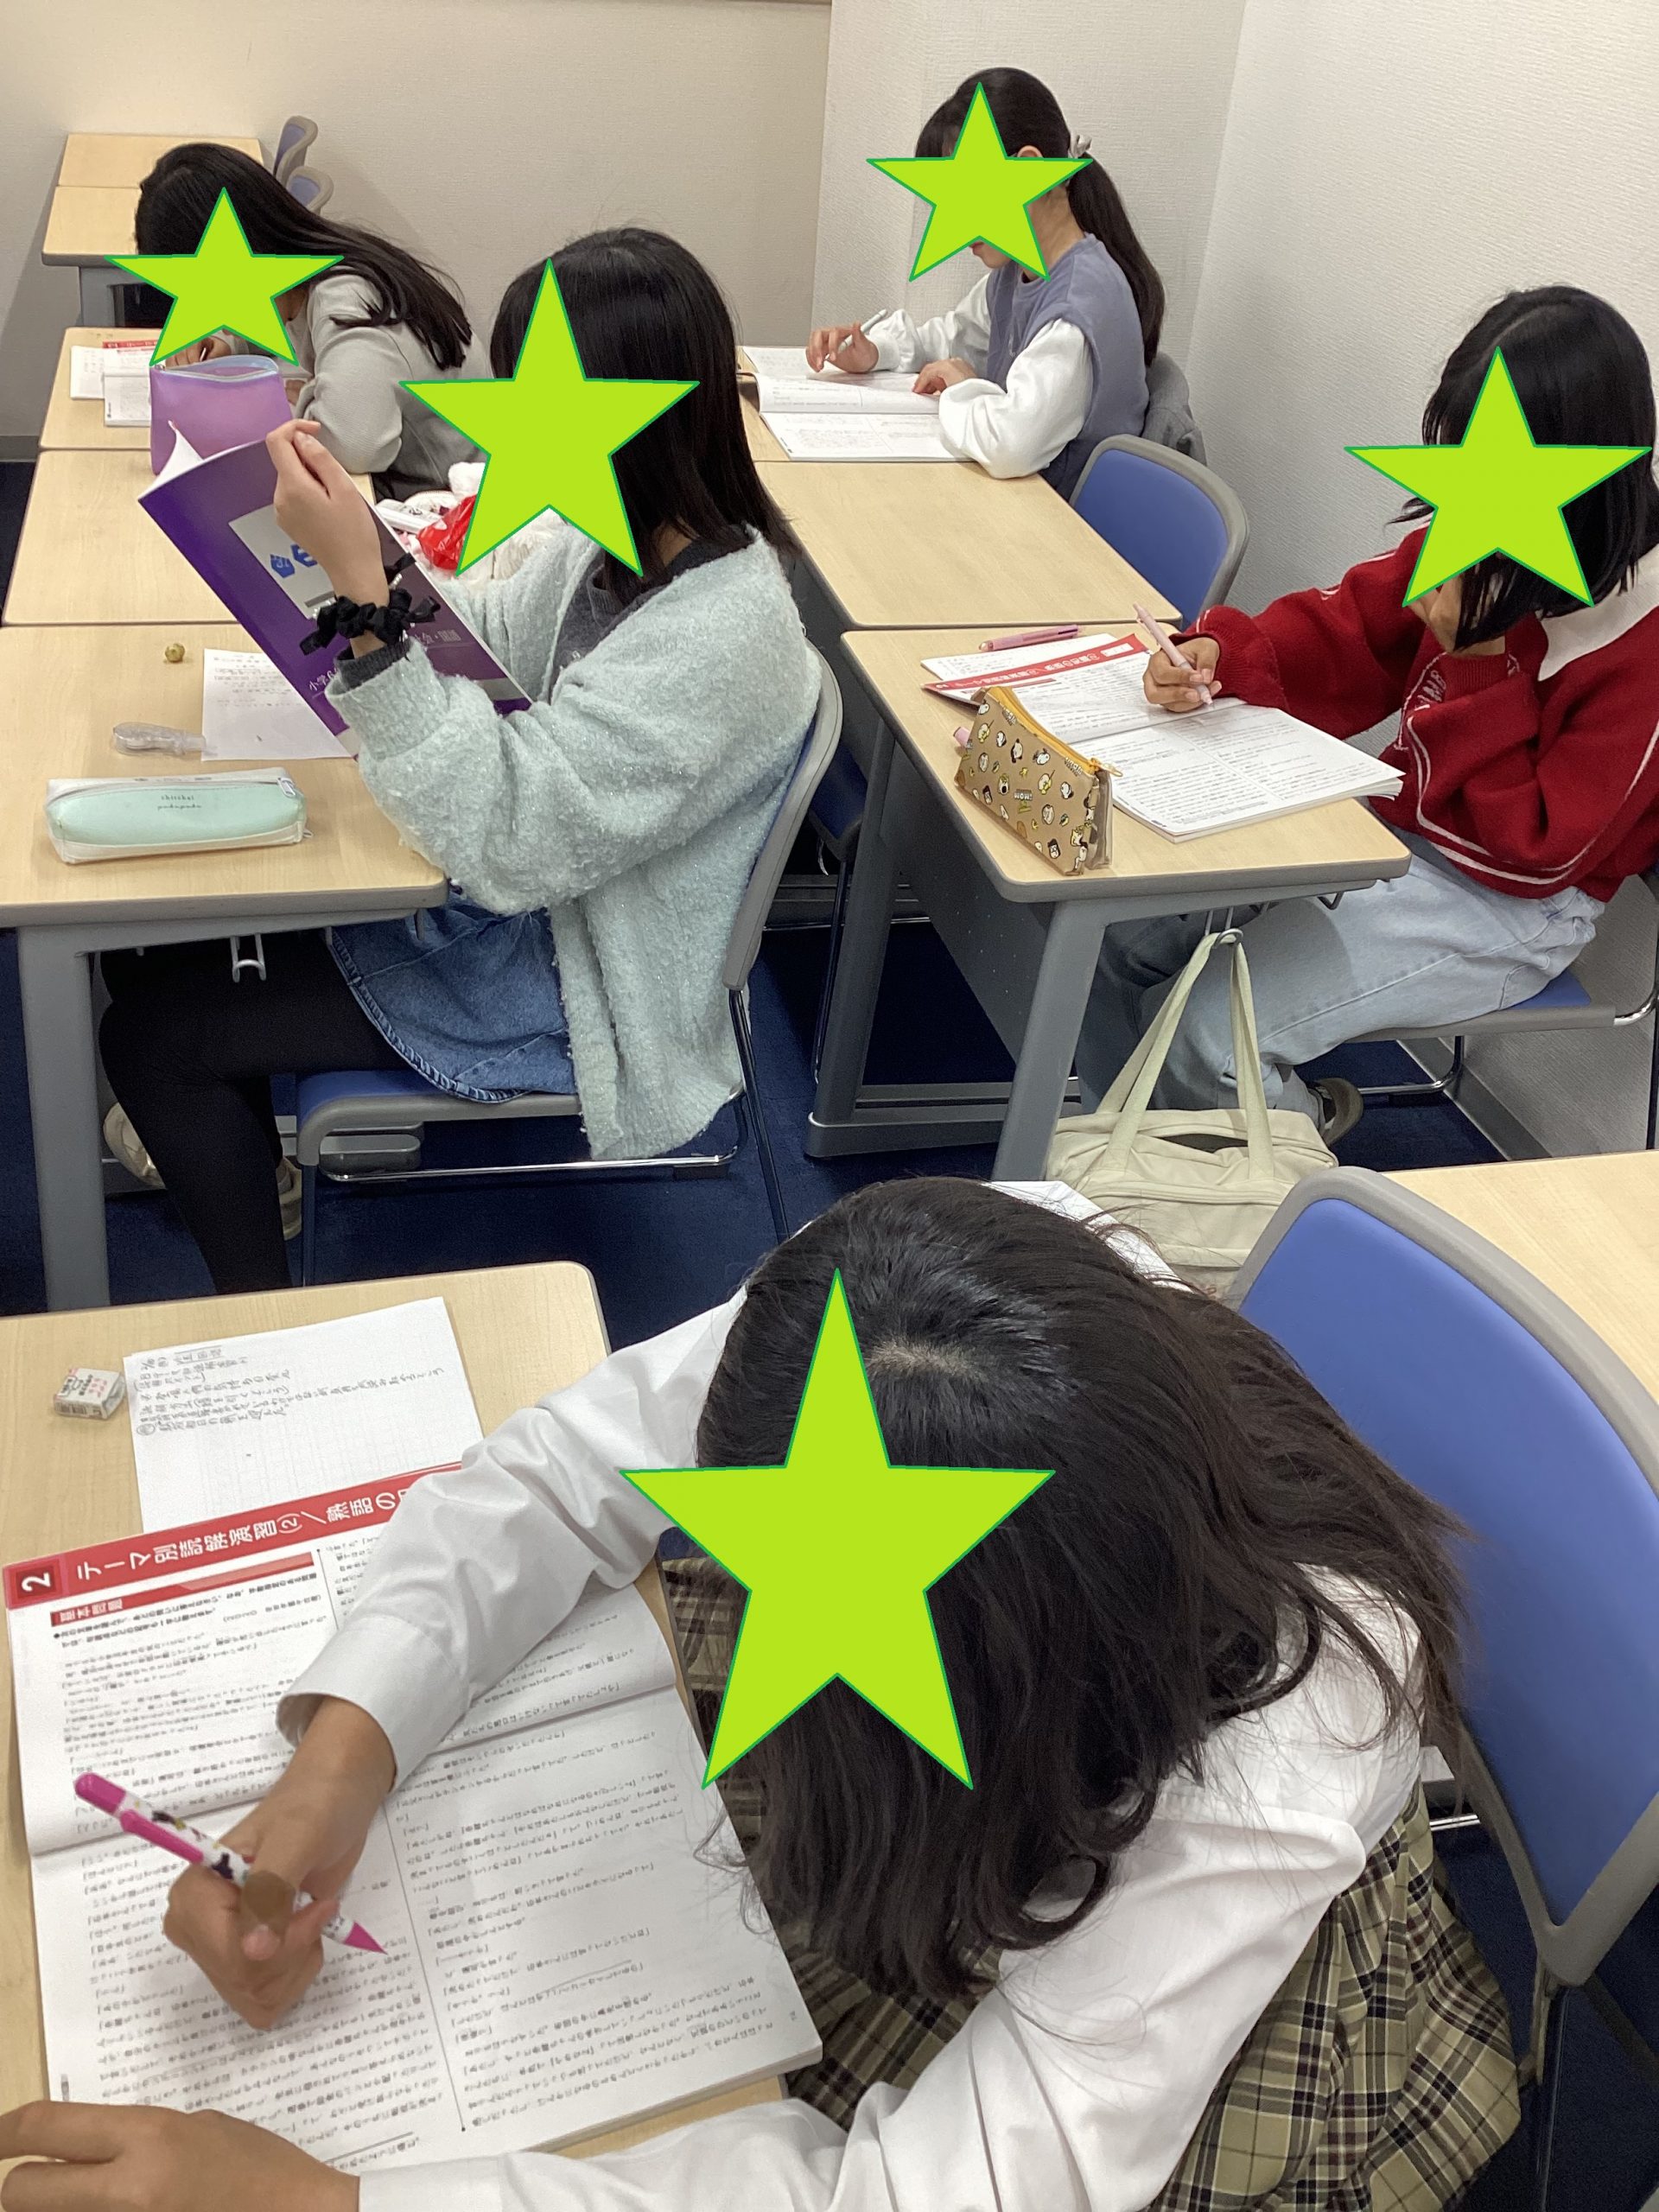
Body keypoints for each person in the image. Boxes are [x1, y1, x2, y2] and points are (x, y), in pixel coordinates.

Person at [1, 1179, 1517, 2210]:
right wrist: (346, 1756)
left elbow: (953, 2190)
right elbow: (563, 1467)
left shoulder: (1275, 1764)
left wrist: (333, 2202)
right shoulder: (938, 1299)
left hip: (1166, 1998)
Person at [99, 229, 817, 1294]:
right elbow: (481, 637)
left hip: (574, 975)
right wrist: (349, 560)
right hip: (522, 901)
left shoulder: (725, 637)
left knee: (154, 1035)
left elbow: (511, 839)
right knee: (144, 939)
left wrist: (365, 609)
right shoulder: (624, 537)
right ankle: (249, 1165)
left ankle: (260, 1320)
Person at [1080, 284, 1659, 1140]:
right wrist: (1221, 653)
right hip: (1390, 832)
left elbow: (1536, 853)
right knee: (1124, 936)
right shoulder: (1482, 531)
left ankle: (1281, 1154)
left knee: (1211, 1041)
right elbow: (1347, 632)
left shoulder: (1640, 640)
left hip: (1512, 906)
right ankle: (1127, 1148)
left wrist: (1475, 667)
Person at [805, 68, 1166, 493]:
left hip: (1062, 521)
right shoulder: (1019, 271)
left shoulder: (1078, 306)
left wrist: (964, 388)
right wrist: (874, 352)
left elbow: (1010, 445)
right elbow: (953, 338)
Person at [133, 142, 485, 499]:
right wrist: (230, 343)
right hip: (405, 483)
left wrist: (304, 398)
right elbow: (287, 328)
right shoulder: (310, 262)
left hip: (448, 500)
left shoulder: (349, 301)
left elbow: (353, 447)